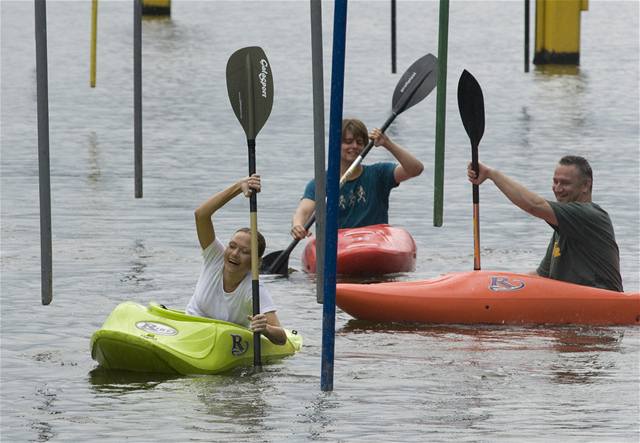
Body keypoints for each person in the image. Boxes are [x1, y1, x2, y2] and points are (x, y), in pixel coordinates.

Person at [467, 155, 623, 292]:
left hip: (603, 305)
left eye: (565, 183)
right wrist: (493, 283)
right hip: (573, 307)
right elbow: (540, 276)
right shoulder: (563, 227)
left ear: (585, 186)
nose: (558, 189)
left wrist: (491, 174)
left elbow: (534, 205)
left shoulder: (590, 215)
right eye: (555, 182)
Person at [185, 175, 287, 345]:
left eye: (244, 251)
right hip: (191, 329)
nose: (233, 254)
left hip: (223, 342)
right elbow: (201, 215)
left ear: (256, 262)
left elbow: (282, 337)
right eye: (232, 246)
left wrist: (265, 328)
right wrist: (239, 187)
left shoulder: (253, 288)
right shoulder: (215, 256)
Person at [291, 118, 424, 240]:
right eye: (348, 142)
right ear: (336, 145)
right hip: (339, 244)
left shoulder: (379, 173)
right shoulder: (321, 183)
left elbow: (415, 169)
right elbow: (304, 210)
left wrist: (387, 143)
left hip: (375, 242)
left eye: (359, 143)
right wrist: (298, 225)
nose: (354, 146)